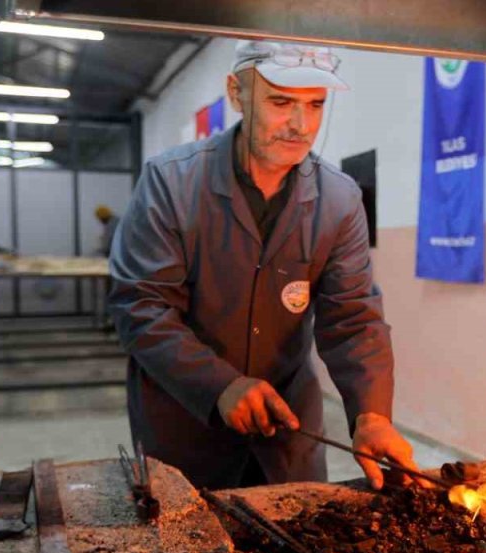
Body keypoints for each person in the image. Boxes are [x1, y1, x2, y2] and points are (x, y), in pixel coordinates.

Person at [108, 40, 423, 491]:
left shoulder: (339, 199)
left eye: (315, 105)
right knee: (189, 551)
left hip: (286, 424)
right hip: (185, 419)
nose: (300, 125)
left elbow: (351, 317)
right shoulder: (171, 183)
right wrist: (219, 385)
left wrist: (371, 415)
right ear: (236, 93)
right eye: (281, 102)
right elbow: (141, 307)